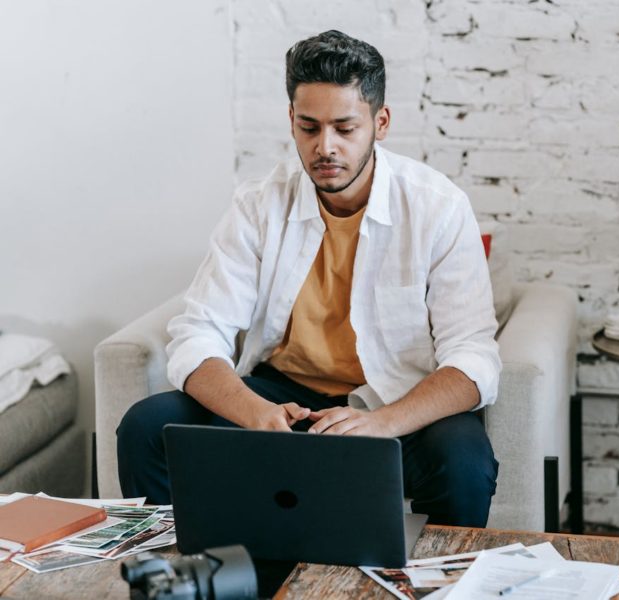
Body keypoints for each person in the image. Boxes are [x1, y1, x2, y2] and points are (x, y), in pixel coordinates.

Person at [117, 30, 500, 528]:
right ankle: (196, 576)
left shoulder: (437, 207)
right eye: (309, 127)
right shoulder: (258, 205)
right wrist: (257, 415)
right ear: (292, 123)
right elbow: (197, 334)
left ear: (380, 123)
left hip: (393, 405)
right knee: (147, 428)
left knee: (465, 461)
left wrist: (381, 423)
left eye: (345, 128)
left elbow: (473, 358)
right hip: (285, 401)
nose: (326, 147)